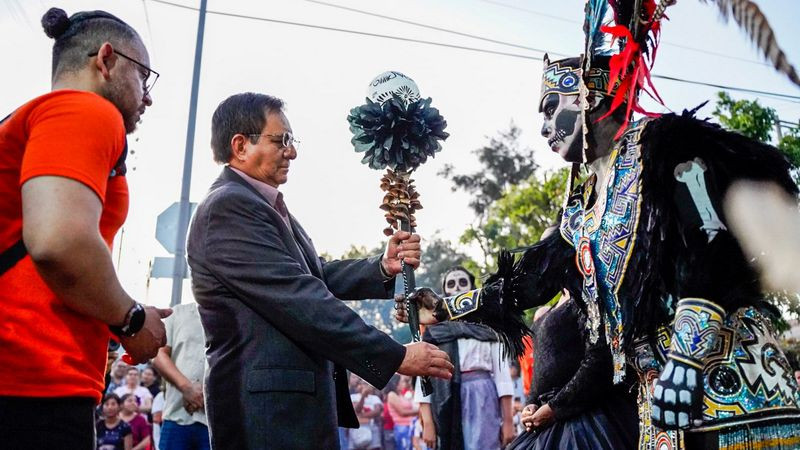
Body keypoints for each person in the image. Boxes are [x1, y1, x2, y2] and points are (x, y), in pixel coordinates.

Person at [401, 3, 800, 446]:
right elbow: (535, 277)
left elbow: (713, 248)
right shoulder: (581, 205)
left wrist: (686, 359)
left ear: (590, 96)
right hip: (657, 399)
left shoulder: (666, 145)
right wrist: (445, 308)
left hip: (731, 383)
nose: (545, 128)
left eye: (552, 109)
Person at [186, 92, 453, 450]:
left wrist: (381, 268)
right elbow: (299, 298)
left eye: (292, 141)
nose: (292, 152)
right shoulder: (229, 207)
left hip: (292, 409)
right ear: (240, 146)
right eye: (281, 140)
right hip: (266, 416)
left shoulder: (265, 205)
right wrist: (397, 355)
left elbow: (313, 275)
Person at [0, 7, 170, 448]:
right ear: (106, 60)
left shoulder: (35, 118)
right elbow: (59, 241)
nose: (148, 97)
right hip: (32, 382)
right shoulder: (85, 110)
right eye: (144, 77)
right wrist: (132, 319)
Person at [506, 289, 638, 449]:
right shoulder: (551, 307)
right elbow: (541, 366)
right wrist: (531, 403)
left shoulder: (591, 295)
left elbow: (600, 361)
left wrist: (555, 408)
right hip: (545, 423)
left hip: (588, 423)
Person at [415, 266, 515, 450]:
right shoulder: (435, 333)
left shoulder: (489, 326)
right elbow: (424, 379)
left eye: (462, 282)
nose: (457, 288)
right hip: (445, 397)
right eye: (451, 284)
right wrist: (427, 422)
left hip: (483, 397)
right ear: (444, 292)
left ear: (471, 289)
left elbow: (503, 377)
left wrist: (508, 421)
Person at [152, 302, 210, 450]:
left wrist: (209, 393)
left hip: (218, 420)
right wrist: (186, 387)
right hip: (178, 415)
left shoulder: (235, 313)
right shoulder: (177, 313)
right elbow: (159, 355)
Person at [349, 378, 384, 450]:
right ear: (359, 386)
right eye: (364, 384)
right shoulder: (353, 397)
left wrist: (360, 416)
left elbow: (377, 412)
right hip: (356, 432)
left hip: (372, 430)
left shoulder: (375, 398)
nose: (366, 386)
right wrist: (363, 396)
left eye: (368, 385)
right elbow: (357, 409)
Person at [387, 375, 418, 450]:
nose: (404, 383)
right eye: (402, 381)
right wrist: (419, 411)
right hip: (402, 427)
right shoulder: (391, 395)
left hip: (409, 426)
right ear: (396, 383)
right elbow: (402, 412)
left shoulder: (401, 395)